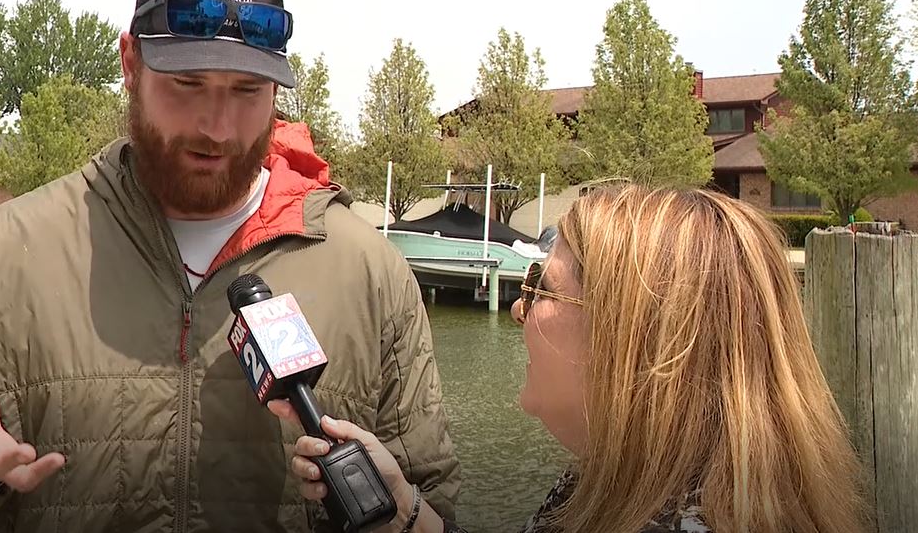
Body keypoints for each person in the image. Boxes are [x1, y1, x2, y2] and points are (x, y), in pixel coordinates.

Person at [0, 0, 460, 533]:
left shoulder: (371, 273)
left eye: (247, 92)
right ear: (130, 65)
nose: (217, 126)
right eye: (188, 84)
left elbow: (436, 503)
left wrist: (395, 514)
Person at [270, 182, 874, 533]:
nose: (517, 311)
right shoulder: (612, 484)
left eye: (538, 288)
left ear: (633, 338)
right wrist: (401, 508)